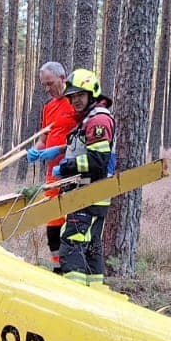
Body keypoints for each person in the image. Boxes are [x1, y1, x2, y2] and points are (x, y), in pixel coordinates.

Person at [50, 68, 114, 287]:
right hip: (91, 195)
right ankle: (95, 293)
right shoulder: (89, 119)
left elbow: (98, 161)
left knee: (72, 246)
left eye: (80, 94)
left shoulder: (98, 121)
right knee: (91, 248)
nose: (75, 100)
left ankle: (75, 295)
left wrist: (66, 166)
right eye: (72, 96)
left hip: (88, 195)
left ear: (91, 93)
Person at [24, 61, 79, 269]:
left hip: (74, 172)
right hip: (52, 174)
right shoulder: (48, 107)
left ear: (62, 78)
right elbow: (44, 136)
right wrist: (37, 150)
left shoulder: (76, 101)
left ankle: (74, 266)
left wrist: (60, 150)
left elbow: (83, 138)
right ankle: (57, 267)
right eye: (44, 85)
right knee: (52, 220)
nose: (48, 89)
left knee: (73, 219)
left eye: (50, 83)